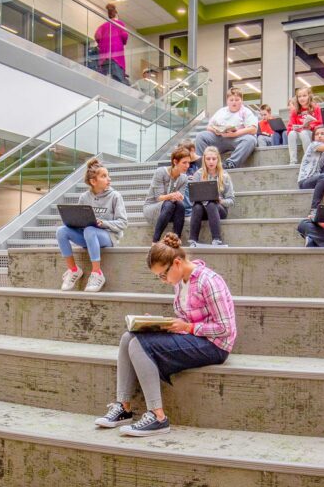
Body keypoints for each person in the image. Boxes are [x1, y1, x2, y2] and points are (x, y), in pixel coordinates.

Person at [94, 234, 236, 437]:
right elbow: (186, 320)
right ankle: (123, 408)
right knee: (129, 337)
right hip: (194, 337)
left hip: (215, 345)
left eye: (162, 275)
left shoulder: (209, 282)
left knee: (138, 346)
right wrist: (156, 325)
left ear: (177, 263)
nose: (163, 280)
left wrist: (187, 328)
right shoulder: (180, 282)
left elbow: (225, 328)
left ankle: (158, 417)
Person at [58, 158, 128, 291]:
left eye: (108, 175)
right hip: (88, 235)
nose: (109, 179)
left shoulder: (115, 196)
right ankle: (73, 270)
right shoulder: (84, 197)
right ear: (93, 181)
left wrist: (103, 223)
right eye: (104, 176)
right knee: (61, 231)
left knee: (90, 229)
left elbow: (123, 223)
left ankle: (97, 273)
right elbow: (79, 220)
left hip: (109, 236)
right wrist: (73, 222)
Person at [195, 88, 260, 169]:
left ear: (241, 100)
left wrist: (235, 134)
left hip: (236, 140)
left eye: (237, 100)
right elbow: (209, 126)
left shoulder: (246, 111)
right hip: (220, 138)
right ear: (227, 101)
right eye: (231, 100)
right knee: (201, 136)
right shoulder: (221, 111)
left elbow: (253, 129)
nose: (234, 102)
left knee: (251, 140)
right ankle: (202, 165)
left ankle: (231, 163)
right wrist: (216, 131)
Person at [143, 146, 194, 243]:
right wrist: (172, 195)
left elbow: (180, 198)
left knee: (180, 205)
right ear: (175, 162)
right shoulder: (161, 172)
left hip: (169, 209)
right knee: (169, 204)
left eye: (189, 162)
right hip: (152, 208)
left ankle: (176, 240)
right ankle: (155, 241)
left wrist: (179, 197)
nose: (187, 166)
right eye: (184, 162)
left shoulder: (184, 178)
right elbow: (158, 198)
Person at [187, 145, 235, 247]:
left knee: (211, 203)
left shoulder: (224, 176)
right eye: (208, 159)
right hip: (202, 210)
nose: (211, 161)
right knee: (197, 206)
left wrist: (220, 201)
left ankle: (216, 239)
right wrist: (197, 199)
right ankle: (193, 240)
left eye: (214, 159)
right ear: (204, 160)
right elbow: (192, 199)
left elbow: (231, 200)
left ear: (218, 159)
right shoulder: (198, 174)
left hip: (219, 210)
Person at [286, 85, 323, 165]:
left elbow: (319, 123)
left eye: (304, 96)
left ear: (309, 96)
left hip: (311, 133)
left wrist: (310, 126)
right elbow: (289, 127)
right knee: (291, 133)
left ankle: (308, 159)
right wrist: (295, 128)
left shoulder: (315, 108)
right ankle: (293, 161)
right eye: (299, 96)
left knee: (304, 132)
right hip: (299, 134)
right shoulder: (295, 111)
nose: (301, 98)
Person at [95, 3, 129, 85]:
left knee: (102, 78)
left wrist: (102, 43)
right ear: (116, 15)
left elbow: (97, 36)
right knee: (118, 80)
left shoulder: (102, 26)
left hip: (104, 55)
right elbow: (125, 35)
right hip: (116, 54)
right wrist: (123, 42)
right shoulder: (120, 24)